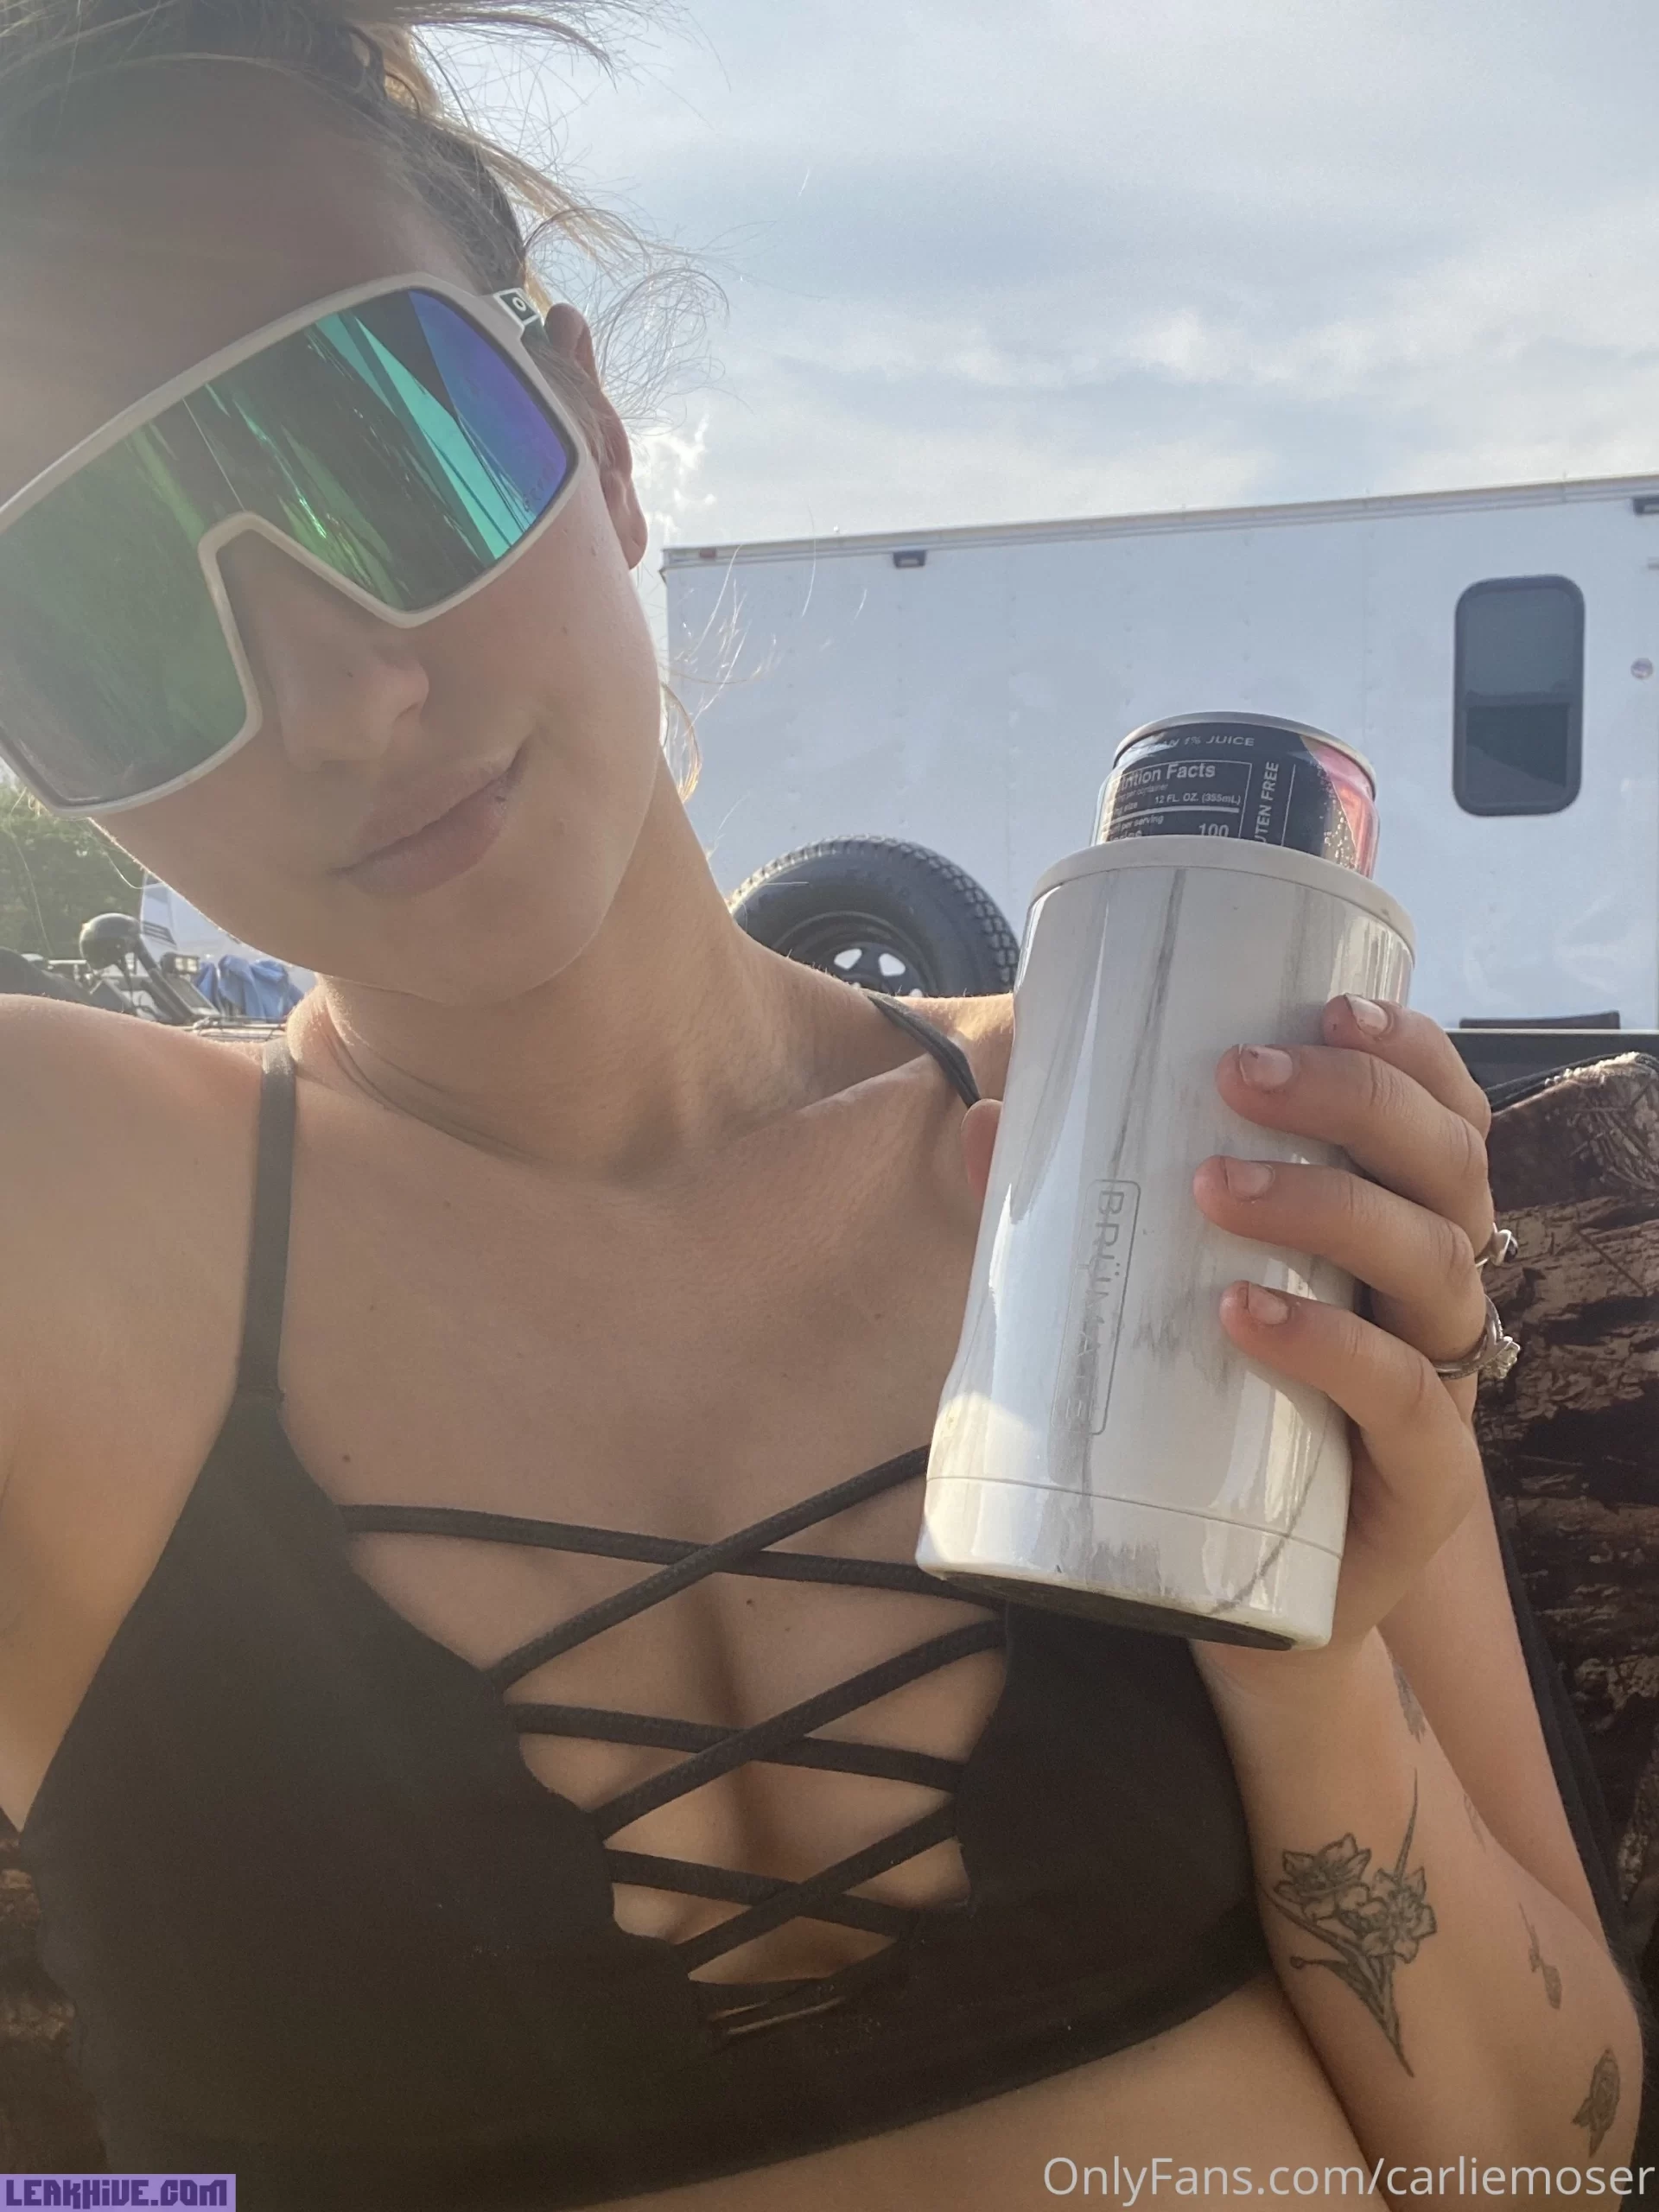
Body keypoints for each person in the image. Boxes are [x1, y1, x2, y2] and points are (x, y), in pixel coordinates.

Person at [0, 4, 1641, 2206]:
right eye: (99, 610)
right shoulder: (65, 1214)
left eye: (379, 446)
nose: (343, 694)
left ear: (594, 431)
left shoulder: (1152, 1136)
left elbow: (1544, 2158)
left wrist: (1305, 1654)